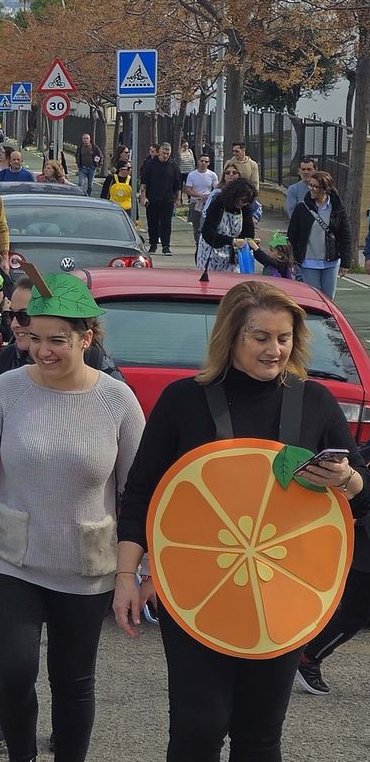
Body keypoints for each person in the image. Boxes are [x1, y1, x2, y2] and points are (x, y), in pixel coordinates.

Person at [114, 281, 370, 761]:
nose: (275, 350)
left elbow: (363, 498)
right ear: (230, 336)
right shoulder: (183, 400)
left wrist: (346, 478)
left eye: (285, 338)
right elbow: (143, 492)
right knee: (196, 730)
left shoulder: (314, 401)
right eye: (260, 337)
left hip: (283, 593)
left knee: (259, 736)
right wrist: (128, 575)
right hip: (194, 592)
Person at [0, 272, 143, 762]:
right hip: (8, 558)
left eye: (58, 341)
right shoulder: (6, 390)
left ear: (86, 339)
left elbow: (137, 491)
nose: (42, 351)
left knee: (72, 680)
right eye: (33, 338)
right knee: (10, 671)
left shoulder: (116, 401)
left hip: (85, 565)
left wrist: (140, 568)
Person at [287, 169, 351, 299]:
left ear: (326, 189)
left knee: (328, 299)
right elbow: (292, 234)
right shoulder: (302, 208)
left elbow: (345, 235)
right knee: (313, 297)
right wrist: (291, 258)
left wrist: (346, 262)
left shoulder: (337, 208)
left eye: (316, 186)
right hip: (308, 261)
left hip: (331, 261)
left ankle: (327, 321)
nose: (312, 189)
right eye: (311, 185)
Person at [197, 177, 259, 274]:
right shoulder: (218, 204)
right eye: (243, 200)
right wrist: (231, 241)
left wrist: (247, 243)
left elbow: (248, 232)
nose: (245, 203)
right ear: (235, 196)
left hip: (231, 254)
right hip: (211, 251)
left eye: (248, 202)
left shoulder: (245, 208)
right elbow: (207, 232)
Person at [141, 144, 181, 256]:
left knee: (166, 224)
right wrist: (143, 196)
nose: (166, 156)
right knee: (152, 223)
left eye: (168, 154)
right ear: (159, 152)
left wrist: (178, 198)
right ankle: (153, 245)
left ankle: (166, 246)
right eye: (164, 153)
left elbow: (178, 183)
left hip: (167, 199)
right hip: (153, 198)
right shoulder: (150, 164)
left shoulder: (173, 165)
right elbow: (144, 181)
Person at [184, 155, 218, 239]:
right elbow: (188, 190)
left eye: (206, 162)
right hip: (196, 203)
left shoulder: (212, 175)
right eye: (202, 161)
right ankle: (197, 245)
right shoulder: (192, 175)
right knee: (196, 226)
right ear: (198, 161)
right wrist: (199, 195)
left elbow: (216, 189)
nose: (203, 163)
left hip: (207, 204)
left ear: (209, 163)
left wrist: (209, 197)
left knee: (207, 225)